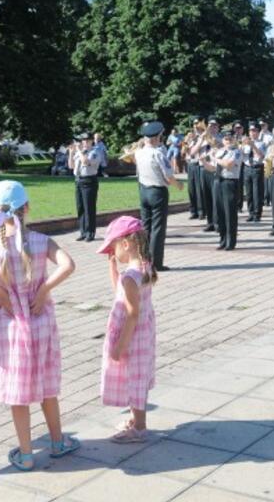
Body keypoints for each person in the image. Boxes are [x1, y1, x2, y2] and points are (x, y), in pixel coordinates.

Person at [0, 180, 80, 472]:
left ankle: (26, 454)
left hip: (10, 323)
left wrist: (1, 292)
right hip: (40, 320)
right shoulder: (42, 241)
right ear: (26, 207)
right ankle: (57, 441)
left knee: (18, 390)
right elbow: (68, 264)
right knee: (46, 384)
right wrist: (43, 290)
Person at [96, 216, 157, 443]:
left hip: (133, 336)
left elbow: (131, 313)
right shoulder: (144, 267)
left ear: (126, 244)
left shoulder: (131, 277)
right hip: (143, 333)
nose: (112, 252)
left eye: (113, 247)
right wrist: (112, 267)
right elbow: (119, 293)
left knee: (134, 379)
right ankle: (135, 420)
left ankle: (139, 427)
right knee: (138, 377)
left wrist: (119, 346)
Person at [136, 121, 183, 271]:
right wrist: (179, 185)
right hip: (157, 192)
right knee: (158, 228)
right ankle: (156, 263)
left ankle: (144, 259)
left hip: (144, 191)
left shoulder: (139, 152)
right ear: (157, 137)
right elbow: (169, 177)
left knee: (146, 227)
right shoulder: (158, 154)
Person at [205, 129, 242, 250]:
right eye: (226, 139)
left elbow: (228, 165)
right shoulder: (219, 152)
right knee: (219, 212)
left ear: (234, 140)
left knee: (230, 213)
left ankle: (231, 241)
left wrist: (215, 158)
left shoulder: (236, 152)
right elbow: (212, 168)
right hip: (218, 181)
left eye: (230, 139)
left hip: (229, 182)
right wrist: (203, 162)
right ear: (223, 140)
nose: (228, 141)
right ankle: (222, 239)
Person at [68, 133, 101, 242]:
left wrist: (78, 151)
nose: (84, 143)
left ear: (92, 141)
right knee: (80, 207)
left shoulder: (94, 152)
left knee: (89, 208)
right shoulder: (79, 153)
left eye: (87, 140)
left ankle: (90, 233)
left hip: (89, 181)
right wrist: (71, 153)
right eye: (83, 140)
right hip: (78, 180)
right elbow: (71, 166)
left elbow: (85, 162)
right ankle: (83, 232)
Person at [242, 121, 266, 222]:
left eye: (254, 131)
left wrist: (253, 145)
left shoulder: (262, 143)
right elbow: (241, 156)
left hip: (257, 168)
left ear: (258, 132)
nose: (252, 133)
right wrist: (241, 147)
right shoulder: (245, 143)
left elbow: (261, 156)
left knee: (257, 192)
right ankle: (251, 212)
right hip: (247, 167)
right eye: (251, 131)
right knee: (249, 193)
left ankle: (257, 214)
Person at [184, 119, 203, 219]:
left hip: (198, 164)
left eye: (197, 123)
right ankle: (193, 210)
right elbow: (184, 152)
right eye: (194, 123)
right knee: (191, 189)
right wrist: (186, 142)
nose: (195, 125)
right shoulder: (190, 136)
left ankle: (201, 211)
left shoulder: (202, 136)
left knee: (199, 189)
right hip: (190, 164)